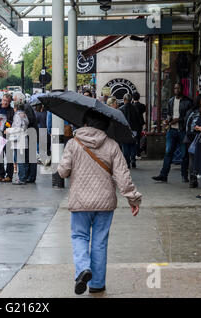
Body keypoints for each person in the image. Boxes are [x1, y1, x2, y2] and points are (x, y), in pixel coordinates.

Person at [57, 109, 141, 295]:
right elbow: (123, 176)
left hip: (80, 202)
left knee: (79, 237)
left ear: (85, 123)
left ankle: (83, 269)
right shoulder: (112, 145)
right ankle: (97, 284)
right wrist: (133, 199)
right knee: (100, 241)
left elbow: (63, 172)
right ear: (105, 126)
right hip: (105, 202)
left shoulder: (73, 143)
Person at [153, 82, 192, 183]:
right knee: (168, 153)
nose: (176, 90)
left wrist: (178, 120)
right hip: (172, 130)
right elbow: (169, 114)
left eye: (178, 88)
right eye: (175, 88)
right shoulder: (171, 101)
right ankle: (163, 175)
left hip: (182, 131)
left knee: (184, 155)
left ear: (182, 89)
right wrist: (167, 120)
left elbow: (189, 118)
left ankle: (184, 175)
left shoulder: (187, 102)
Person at [14, 92, 38, 183]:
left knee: (29, 157)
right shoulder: (27, 106)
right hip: (30, 134)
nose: (14, 102)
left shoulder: (26, 107)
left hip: (30, 134)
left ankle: (30, 176)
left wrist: (24, 118)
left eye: (15, 100)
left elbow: (30, 120)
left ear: (20, 100)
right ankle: (29, 176)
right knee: (28, 157)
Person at [5, 99, 29, 185]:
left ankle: (21, 178)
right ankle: (24, 177)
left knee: (19, 160)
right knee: (23, 159)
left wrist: (9, 130)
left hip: (18, 139)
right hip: (23, 138)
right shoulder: (24, 115)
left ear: (16, 107)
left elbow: (18, 128)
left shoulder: (18, 115)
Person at [184, 94, 201, 188]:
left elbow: (185, 123)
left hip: (189, 138)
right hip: (199, 138)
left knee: (192, 159)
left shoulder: (190, 112)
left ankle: (192, 180)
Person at [119, 94, 141, 168]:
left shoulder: (121, 109)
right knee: (133, 145)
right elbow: (138, 120)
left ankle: (127, 163)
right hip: (134, 129)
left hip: (124, 130)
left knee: (125, 147)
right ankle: (133, 160)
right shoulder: (135, 108)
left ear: (124, 99)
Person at [132, 92, 146, 159]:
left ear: (133, 97)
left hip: (133, 125)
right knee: (138, 138)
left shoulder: (131, 106)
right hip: (140, 124)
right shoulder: (142, 106)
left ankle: (134, 153)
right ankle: (138, 154)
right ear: (139, 97)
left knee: (134, 139)